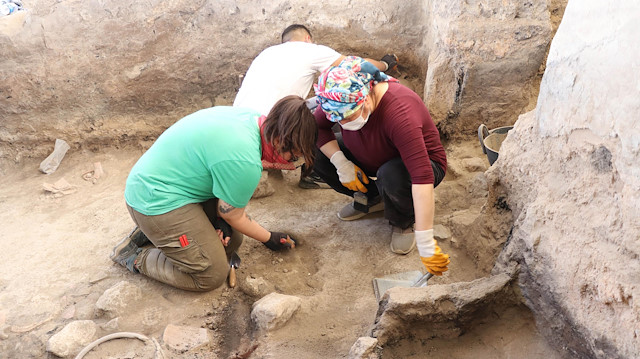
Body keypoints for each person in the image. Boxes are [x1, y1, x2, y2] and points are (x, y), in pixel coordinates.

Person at [110, 96, 317, 291]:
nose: (293, 164)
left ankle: (151, 233)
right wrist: (269, 238)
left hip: (163, 183)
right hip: (155, 201)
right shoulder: (245, 162)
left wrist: (222, 220)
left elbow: (226, 201)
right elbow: (233, 213)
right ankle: (133, 256)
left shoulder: (251, 119)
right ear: (280, 140)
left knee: (233, 240)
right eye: (294, 157)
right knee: (212, 273)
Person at [312, 56, 450, 276]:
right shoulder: (337, 97)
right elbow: (318, 127)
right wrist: (341, 163)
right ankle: (374, 198)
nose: (344, 124)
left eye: (349, 117)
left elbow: (421, 176)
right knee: (317, 153)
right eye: (338, 120)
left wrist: (426, 243)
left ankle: (403, 219)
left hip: (420, 166)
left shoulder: (400, 112)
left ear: (366, 98)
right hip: (371, 155)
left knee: (391, 174)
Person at [233, 24, 398, 189]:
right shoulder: (310, 50)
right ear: (307, 39)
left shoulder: (266, 53)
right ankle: (313, 170)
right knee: (334, 111)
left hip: (242, 125)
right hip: (273, 127)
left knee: (315, 106)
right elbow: (357, 66)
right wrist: (385, 63)